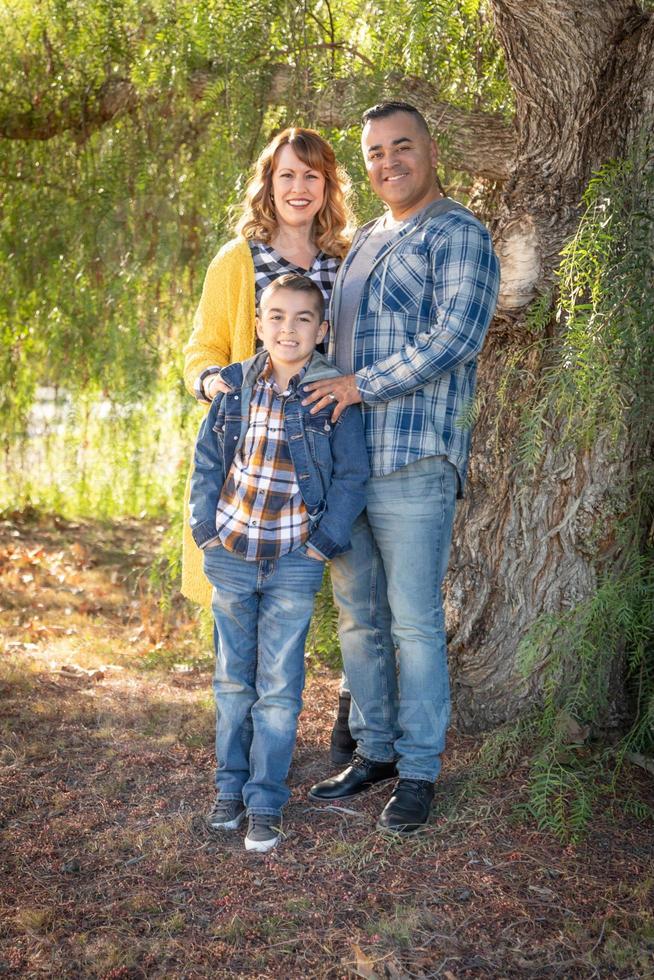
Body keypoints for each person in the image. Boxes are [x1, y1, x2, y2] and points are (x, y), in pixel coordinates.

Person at [304, 101, 501, 834]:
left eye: (401, 147)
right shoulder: (362, 242)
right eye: (376, 153)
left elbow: (456, 336)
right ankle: (375, 751)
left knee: (414, 623)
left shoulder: (458, 234)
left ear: (430, 148)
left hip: (415, 457)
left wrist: (359, 386)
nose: (389, 163)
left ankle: (419, 771)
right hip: (349, 464)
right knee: (359, 620)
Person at [182, 127, 357, 764]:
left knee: (332, 594)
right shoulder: (239, 260)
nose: (299, 188)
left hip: (321, 461)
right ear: (269, 182)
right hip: (249, 468)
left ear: (328, 185)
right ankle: (239, 757)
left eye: (312, 176)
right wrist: (212, 384)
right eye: (287, 175)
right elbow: (203, 348)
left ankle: (342, 723)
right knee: (241, 623)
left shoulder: (347, 258)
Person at [189, 274, 368, 852]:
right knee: (231, 683)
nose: (288, 329)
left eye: (302, 319)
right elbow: (207, 463)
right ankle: (228, 788)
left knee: (279, 688)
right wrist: (205, 534)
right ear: (260, 323)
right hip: (233, 554)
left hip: (294, 557)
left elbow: (350, 477)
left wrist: (321, 546)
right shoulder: (235, 386)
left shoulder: (329, 394)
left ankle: (265, 800)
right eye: (276, 317)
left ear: (321, 331)